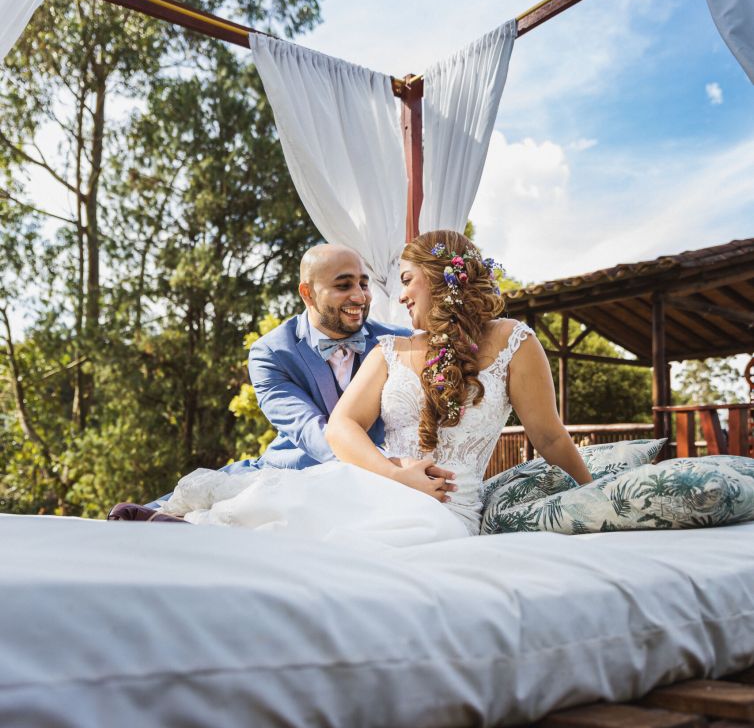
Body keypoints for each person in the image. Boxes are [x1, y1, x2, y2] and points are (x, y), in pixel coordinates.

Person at [163, 230, 591, 543]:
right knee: (272, 522)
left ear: (442, 277)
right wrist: (396, 475)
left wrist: (594, 493)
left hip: (446, 508)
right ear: (308, 295)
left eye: (405, 279)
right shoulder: (388, 348)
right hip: (363, 480)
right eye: (346, 284)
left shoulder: (515, 341)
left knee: (338, 544)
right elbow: (335, 429)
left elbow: (550, 435)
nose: (391, 295)